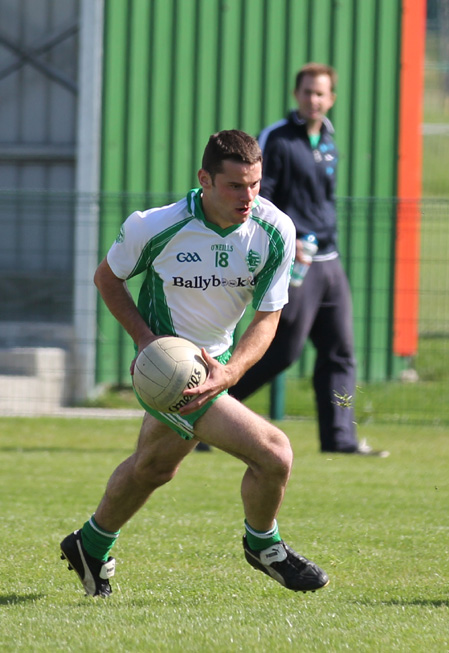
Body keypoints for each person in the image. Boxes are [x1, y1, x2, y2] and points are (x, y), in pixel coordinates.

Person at [60, 130, 329, 597]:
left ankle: (91, 542)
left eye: (255, 184)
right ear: (204, 179)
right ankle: (264, 546)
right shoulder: (155, 226)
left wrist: (232, 371)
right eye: (234, 185)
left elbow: (268, 317)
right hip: (170, 370)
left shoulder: (273, 230)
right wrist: (146, 341)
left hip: (218, 363)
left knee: (155, 467)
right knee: (274, 453)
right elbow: (108, 278)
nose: (248, 197)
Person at [230, 64, 388, 457]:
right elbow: (259, 198)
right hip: (297, 260)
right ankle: (207, 409)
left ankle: (340, 439)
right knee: (283, 351)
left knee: (341, 352)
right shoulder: (278, 140)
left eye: (321, 94)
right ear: (295, 94)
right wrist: (292, 238)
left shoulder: (329, 140)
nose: (313, 100)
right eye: (307, 92)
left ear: (331, 98)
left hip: (330, 260)